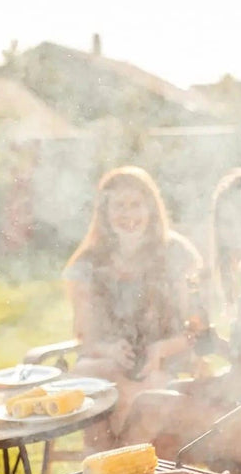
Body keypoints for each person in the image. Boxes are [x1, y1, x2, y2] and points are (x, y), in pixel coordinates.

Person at [120, 167, 241, 473]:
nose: (233, 231)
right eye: (226, 222)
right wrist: (215, 347)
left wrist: (197, 390)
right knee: (165, 441)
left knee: (148, 408)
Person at [64, 165, 203, 450]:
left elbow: (196, 329)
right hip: (108, 363)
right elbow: (85, 336)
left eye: (136, 205)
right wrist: (109, 349)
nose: (128, 215)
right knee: (93, 381)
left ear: (151, 209)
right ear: (105, 213)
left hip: (166, 363)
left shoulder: (176, 254)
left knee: (133, 392)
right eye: (119, 206)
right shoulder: (88, 262)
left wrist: (160, 350)